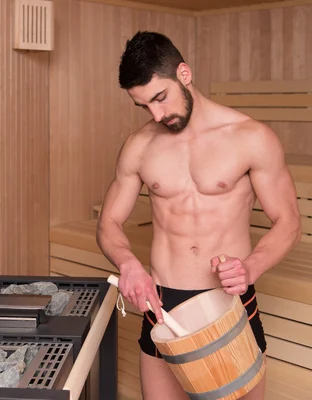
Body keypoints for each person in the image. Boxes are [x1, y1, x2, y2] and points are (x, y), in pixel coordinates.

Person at [96, 31, 302, 400]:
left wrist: (250, 267)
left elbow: (288, 221)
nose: (157, 115)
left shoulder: (251, 138)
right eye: (144, 106)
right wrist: (127, 263)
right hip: (163, 303)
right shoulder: (139, 146)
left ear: (184, 74)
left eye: (160, 98)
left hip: (227, 302)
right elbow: (109, 222)